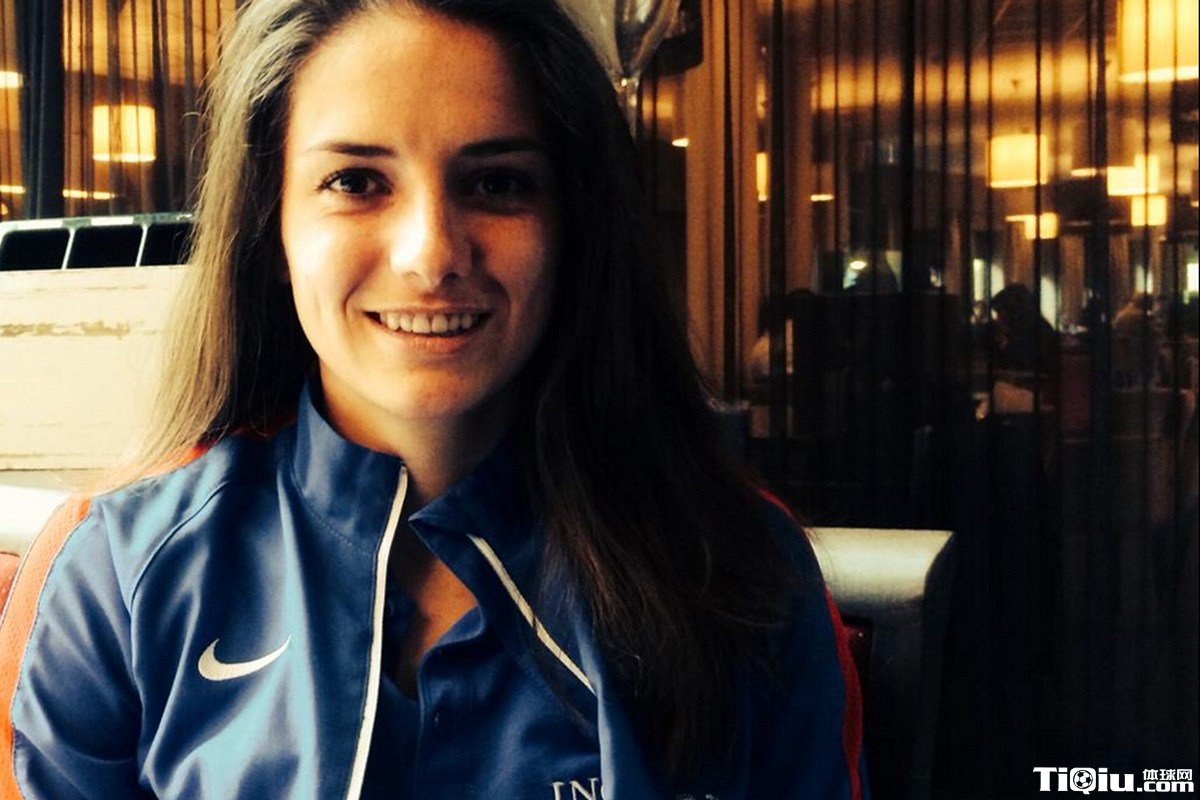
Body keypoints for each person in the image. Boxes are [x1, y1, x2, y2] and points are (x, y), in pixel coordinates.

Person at [0, 1, 868, 797]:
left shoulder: (742, 567)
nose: (431, 254)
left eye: (496, 183)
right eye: (356, 182)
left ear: (575, 228)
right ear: (271, 228)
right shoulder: (116, 571)